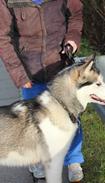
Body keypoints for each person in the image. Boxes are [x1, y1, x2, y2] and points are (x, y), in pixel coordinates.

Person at [0, 0, 84, 182]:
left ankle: (73, 160)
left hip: (60, 66)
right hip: (30, 71)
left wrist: (72, 39)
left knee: (69, 116)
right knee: (33, 121)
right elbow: (2, 37)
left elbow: (76, 15)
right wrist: (19, 75)